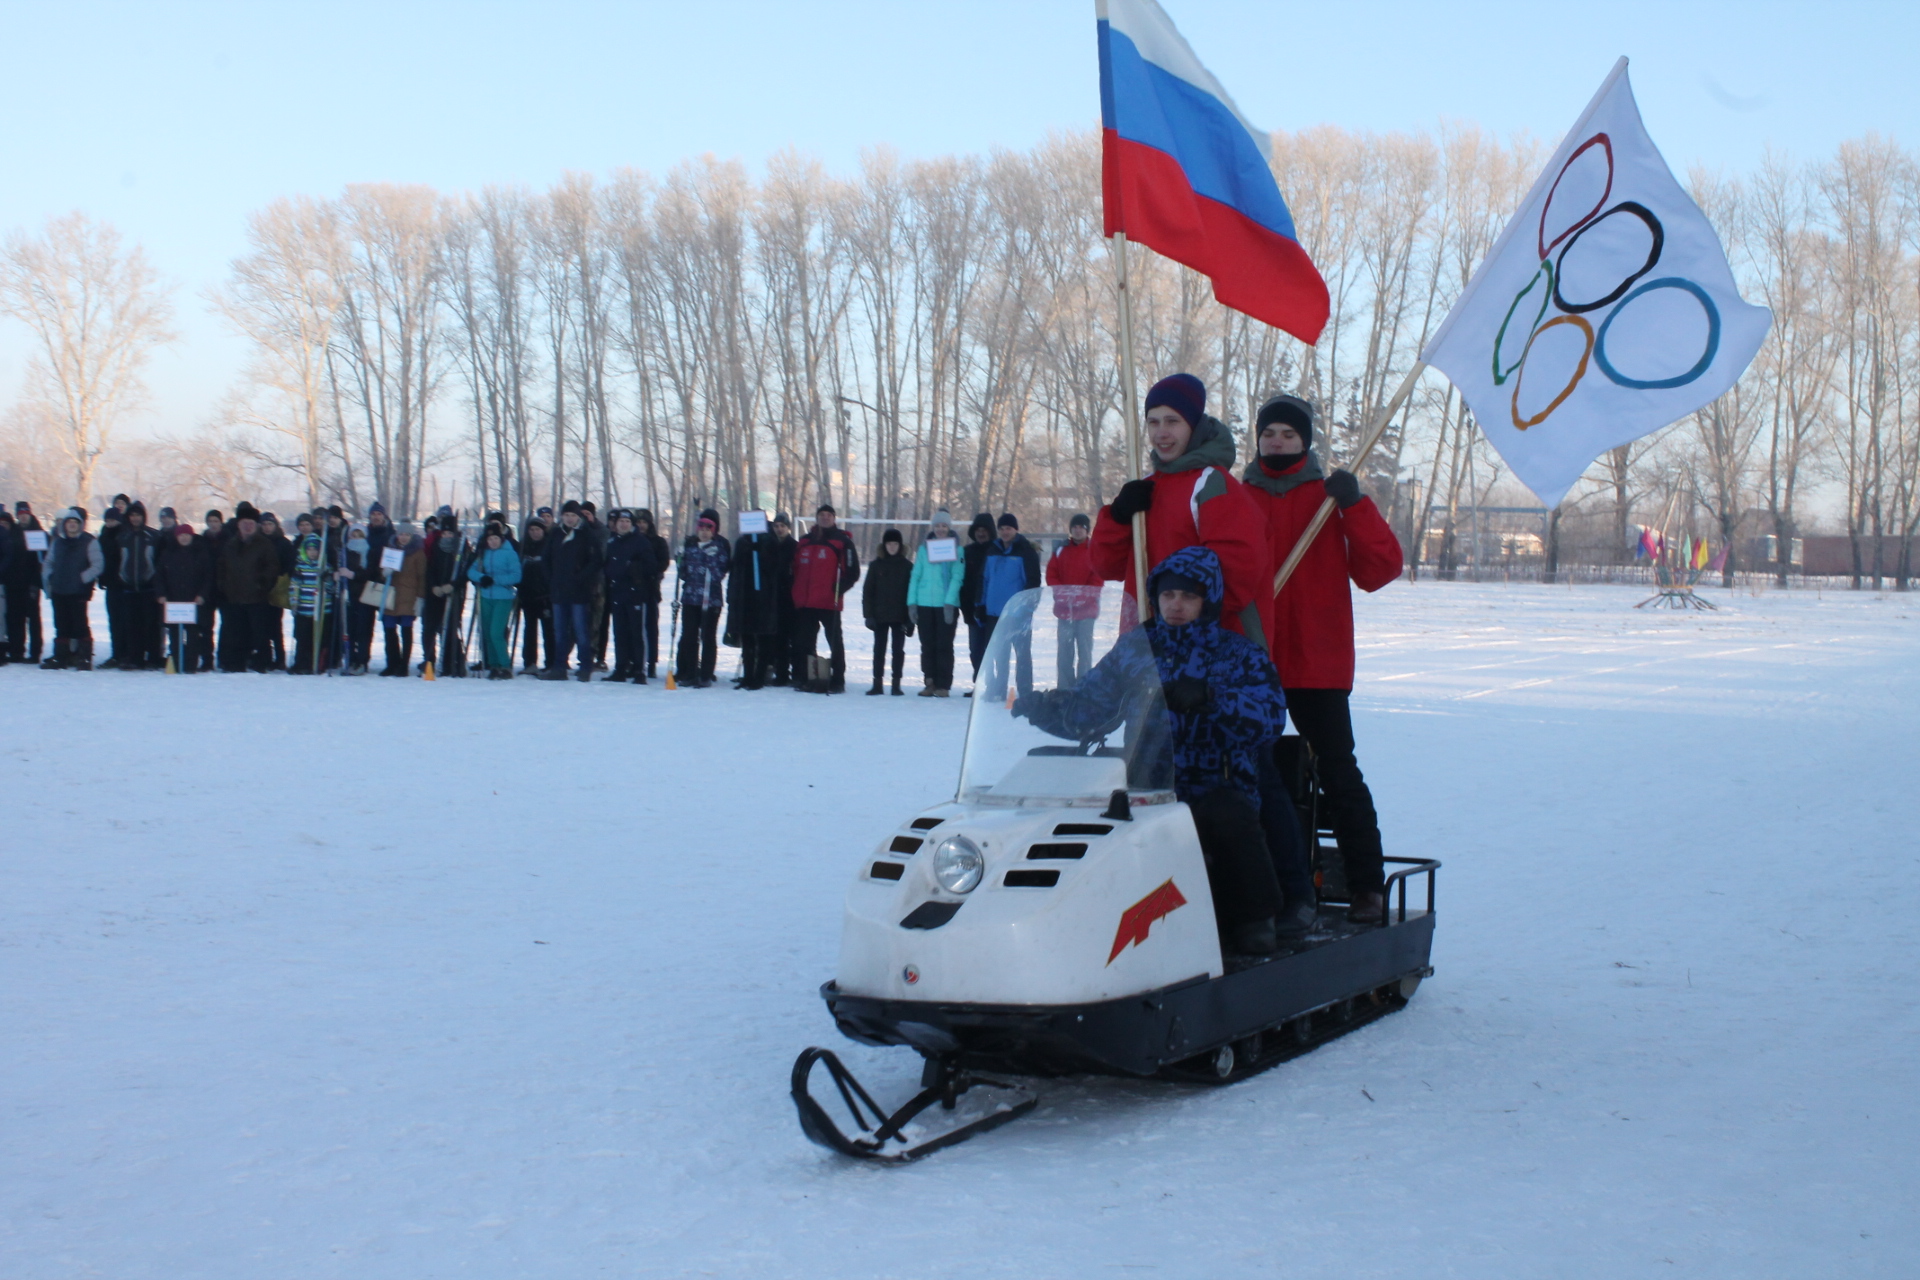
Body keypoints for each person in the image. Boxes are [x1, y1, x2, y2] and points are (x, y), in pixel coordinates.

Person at [1012, 547, 1290, 954]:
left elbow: (1270, 719)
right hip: (1144, 781)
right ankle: (1068, 917)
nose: (1176, 605)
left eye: (1189, 597)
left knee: (1229, 819)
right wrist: (1044, 708)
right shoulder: (1135, 648)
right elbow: (1090, 708)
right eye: (1168, 595)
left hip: (1216, 783)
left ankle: (1255, 918)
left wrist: (1212, 698)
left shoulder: (1238, 654)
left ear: (1207, 600)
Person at [1242, 394, 1404, 925]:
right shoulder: (1240, 497)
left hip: (1317, 661)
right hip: (1253, 660)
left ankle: (1365, 886)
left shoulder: (1330, 498)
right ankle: (1256, 889)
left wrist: (1355, 506)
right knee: (1248, 775)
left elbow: (1378, 570)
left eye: (1289, 435)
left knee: (1339, 774)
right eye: (1270, 434)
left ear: (1305, 441)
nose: (1278, 443)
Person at [1091, 373, 1273, 645]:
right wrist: (1117, 517)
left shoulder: (1213, 484)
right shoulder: (1145, 489)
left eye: (1172, 421)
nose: (1161, 433)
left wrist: (1180, 623)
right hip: (1145, 646)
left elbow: (1237, 575)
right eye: (1153, 422)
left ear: (1194, 426)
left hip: (1204, 650)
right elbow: (1106, 567)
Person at [790, 504, 859, 693]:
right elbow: (794, 569)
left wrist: (839, 589)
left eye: (829, 515)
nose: (825, 518)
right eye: (822, 515)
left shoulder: (842, 541)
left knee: (835, 642)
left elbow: (852, 572)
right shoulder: (804, 541)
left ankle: (838, 680)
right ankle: (807, 677)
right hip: (805, 602)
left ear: (834, 518)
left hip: (829, 601)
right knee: (805, 642)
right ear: (817, 518)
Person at [977, 513, 1040, 699]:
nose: (1005, 532)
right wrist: (980, 604)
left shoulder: (1025, 551)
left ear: (1016, 530)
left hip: (1018, 613)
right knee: (999, 654)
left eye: (1009, 528)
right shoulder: (992, 550)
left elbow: (1033, 582)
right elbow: (984, 579)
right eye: (1002, 528)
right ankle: (998, 689)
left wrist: (1028, 607)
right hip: (994, 612)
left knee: (1022, 654)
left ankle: (1025, 691)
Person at [216, 504, 281, 673]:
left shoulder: (264, 544)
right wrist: (223, 586)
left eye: (251, 523)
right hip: (234, 597)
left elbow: (272, 568)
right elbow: (221, 567)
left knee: (260, 633)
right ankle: (236, 662)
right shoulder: (230, 544)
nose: (248, 526)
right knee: (236, 633)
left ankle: (262, 662)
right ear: (238, 524)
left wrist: (262, 585)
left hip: (256, 597)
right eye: (245, 522)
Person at [541, 501, 602, 681]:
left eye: (573, 516)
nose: (569, 519)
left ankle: (585, 666)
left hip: (579, 591)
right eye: (566, 515)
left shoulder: (586, 534)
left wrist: (582, 577)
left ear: (578, 517)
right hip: (559, 590)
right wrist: (551, 580)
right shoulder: (555, 534)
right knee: (560, 631)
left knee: (581, 630)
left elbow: (596, 561)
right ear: (561, 517)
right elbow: (545, 559)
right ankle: (559, 667)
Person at [906, 509, 962, 696]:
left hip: (944, 605)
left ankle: (943, 685)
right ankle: (929, 681)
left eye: (944, 526)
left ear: (949, 527)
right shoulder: (923, 549)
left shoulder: (956, 549)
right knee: (927, 645)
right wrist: (912, 602)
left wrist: (950, 603)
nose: (940, 529)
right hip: (924, 604)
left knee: (944, 646)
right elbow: (916, 576)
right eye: (937, 526)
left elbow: (957, 577)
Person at [726, 513, 783, 690]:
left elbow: (774, 568)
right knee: (747, 638)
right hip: (744, 597)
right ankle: (748, 674)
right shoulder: (742, 541)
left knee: (763, 639)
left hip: (763, 597)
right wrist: (732, 594)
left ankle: (759, 675)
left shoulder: (770, 541)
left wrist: (760, 551)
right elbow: (735, 568)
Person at [40, 508, 102, 669]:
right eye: (69, 522)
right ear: (64, 525)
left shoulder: (89, 541)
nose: (72, 525)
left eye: (75, 522)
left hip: (78, 591)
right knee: (61, 625)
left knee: (80, 625)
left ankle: (84, 659)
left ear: (80, 525)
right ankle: (61, 657)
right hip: (59, 589)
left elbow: (98, 565)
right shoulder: (58, 542)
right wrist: (50, 577)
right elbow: (48, 563)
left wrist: (82, 578)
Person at [1045, 512, 1101, 689]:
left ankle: (1083, 689)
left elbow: (1098, 578)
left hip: (1086, 612)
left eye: (1081, 528)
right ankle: (1064, 689)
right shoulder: (1061, 549)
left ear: (1087, 530)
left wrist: (1082, 598)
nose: (1078, 531)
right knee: (1064, 654)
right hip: (1064, 611)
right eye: (1074, 527)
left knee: (1085, 653)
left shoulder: (1094, 550)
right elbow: (1051, 574)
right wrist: (1061, 594)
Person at [602, 509, 658, 684]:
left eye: (627, 521)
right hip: (618, 592)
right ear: (616, 524)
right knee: (619, 632)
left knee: (637, 632)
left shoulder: (641, 542)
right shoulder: (612, 542)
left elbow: (652, 567)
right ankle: (620, 667)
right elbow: (606, 564)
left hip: (636, 594)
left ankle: (639, 669)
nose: (624, 524)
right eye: (621, 521)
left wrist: (634, 569)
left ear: (631, 524)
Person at [676, 508, 730, 687]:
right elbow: (684, 574)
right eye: (702, 529)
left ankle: (706, 674)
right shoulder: (691, 548)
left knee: (708, 636)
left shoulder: (718, 549)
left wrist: (711, 560)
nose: (704, 532)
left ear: (713, 531)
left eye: (708, 529)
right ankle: (690, 672)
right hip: (691, 599)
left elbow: (718, 575)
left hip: (710, 600)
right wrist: (680, 560)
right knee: (690, 636)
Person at [108, 501, 164, 669]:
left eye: (138, 515)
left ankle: (154, 658)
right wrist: (120, 579)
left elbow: (160, 562)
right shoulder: (122, 537)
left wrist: (156, 582)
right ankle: (135, 658)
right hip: (129, 588)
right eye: (132, 515)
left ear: (143, 517)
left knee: (152, 626)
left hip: (149, 587)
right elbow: (116, 561)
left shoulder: (154, 536)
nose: (135, 518)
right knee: (133, 626)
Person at [860, 528, 913, 696]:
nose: (892, 547)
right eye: (889, 543)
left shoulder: (907, 566)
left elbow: (912, 593)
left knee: (898, 651)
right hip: (879, 615)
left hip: (900, 616)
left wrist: (911, 619)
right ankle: (877, 683)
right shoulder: (876, 565)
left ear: (900, 545)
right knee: (879, 650)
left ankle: (896, 684)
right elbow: (867, 592)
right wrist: (868, 615)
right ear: (884, 545)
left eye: (895, 544)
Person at [155, 522, 214, 674]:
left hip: (193, 602)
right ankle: (176, 663)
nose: (184, 538)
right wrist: (161, 594)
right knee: (174, 636)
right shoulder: (168, 553)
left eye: (187, 535)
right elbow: (159, 576)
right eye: (181, 535)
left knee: (193, 635)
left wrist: (202, 595)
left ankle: (191, 665)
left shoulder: (201, 553)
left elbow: (208, 577)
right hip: (173, 602)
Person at [466, 525, 523, 679]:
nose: (492, 542)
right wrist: (481, 577)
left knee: (496, 632)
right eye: (490, 539)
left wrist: (495, 580)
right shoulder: (483, 553)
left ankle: (505, 665)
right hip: (485, 596)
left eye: (495, 538)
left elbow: (516, 576)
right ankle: (493, 665)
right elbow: (471, 571)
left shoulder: (509, 554)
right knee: (486, 632)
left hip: (503, 597)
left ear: (501, 538)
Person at [376, 523, 426, 676]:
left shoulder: (418, 553)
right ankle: (392, 663)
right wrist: (384, 572)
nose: (404, 538)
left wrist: (420, 598)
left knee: (406, 630)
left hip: (409, 597)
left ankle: (404, 665)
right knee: (389, 630)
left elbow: (422, 577)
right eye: (402, 534)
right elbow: (380, 573)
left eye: (407, 535)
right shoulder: (390, 550)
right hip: (391, 595)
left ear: (412, 537)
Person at [287, 514, 334, 675]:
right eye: (310, 549)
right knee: (302, 638)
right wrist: (294, 602)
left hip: (320, 609)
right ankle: (301, 663)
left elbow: (330, 588)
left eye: (315, 549)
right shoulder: (301, 565)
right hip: (304, 608)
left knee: (318, 639)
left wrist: (328, 580)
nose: (312, 552)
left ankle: (318, 663)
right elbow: (295, 585)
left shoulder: (324, 566)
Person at [421, 516, 467, 675]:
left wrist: (453, 586)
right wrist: (434, 586)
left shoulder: (462, 547)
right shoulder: (435, 545)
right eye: (445, 533)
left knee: (449, 628)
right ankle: (429, 661)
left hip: (453, 594)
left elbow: (465, 570)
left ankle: (452, 661)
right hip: (434, 593)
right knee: (429, 628)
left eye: (450, 533)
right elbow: (429, 568)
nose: (447, 536)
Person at [633, 509, 670, 680]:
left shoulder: (658, 541)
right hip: (632, 588)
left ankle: (651, 663)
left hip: (650, 588)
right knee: (634, 628)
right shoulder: (631, 540)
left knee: (650, 627)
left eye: (644, 522)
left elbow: (663, 562)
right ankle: (635, 661)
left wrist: (651, 571)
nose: (641, 525)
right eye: (638, 522)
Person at [5, 506, 45, 664]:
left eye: (26, 514)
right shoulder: (13, 533)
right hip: (13, 583)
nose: (23, 517)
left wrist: (36, 582)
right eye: (20, 515)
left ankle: (35, 653)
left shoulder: (37, 532)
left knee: (33, 620)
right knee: (15, 619)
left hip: (31, 584)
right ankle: (16, 651)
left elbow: (41, 561)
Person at [957, 513, 995, 679]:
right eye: (978, 530)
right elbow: (961, 580)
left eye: (984, 530)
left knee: (991, 649)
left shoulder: (996, 550)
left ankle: (991, 684)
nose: (981, 533)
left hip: (992, 609)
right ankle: (978, 683)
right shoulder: (967, 552)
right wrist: (965, 609)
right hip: (972, 608)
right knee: (975, 649)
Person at [515, 518, 552, 675]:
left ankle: (551, 662)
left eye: (537, 530)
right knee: (529, 630)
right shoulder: (523, 546)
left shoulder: (549, 545)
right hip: (527, 594)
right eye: (531, 530)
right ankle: (529, 662)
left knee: (548, 631)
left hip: (545, 595)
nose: (534, 533)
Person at [259, 512, 294, 671]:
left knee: (275, 627)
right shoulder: (256, 542)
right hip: (258, 589)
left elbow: (289, 565)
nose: (267, 528)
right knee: (261, 626)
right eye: (264, 524)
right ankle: (265, 657)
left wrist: (281, 580)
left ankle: (280, 658)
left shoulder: (283, 543)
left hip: (277, 588)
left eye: (270, 524)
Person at [94, 505, 128, 665]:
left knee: (124, 620)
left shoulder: (123, 535)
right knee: (113, 619)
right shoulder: (103, 535)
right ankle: (116, 653)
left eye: (112, 520)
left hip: (124, 583)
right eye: (107, 520)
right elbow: (101, 559)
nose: (109, 523)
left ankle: (125, 653)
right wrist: (102, 578)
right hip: (111, 583)